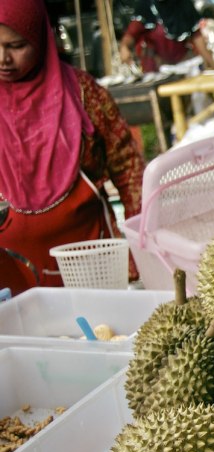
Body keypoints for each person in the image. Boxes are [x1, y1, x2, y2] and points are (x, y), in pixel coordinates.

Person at [0, 0, 145, 294]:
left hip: (91, 263)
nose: (3, 58)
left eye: (16, 46)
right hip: (13, 272)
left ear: (41, 39)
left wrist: (137, 250)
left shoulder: (83, 94)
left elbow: (129, 168)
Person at [119, 0, 214, 73]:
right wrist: (124, 47)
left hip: (186, 64)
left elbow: (197, 36)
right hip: (159, 70)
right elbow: (131, 34)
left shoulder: (182, 3)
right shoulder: (145, 5)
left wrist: (213, 64)